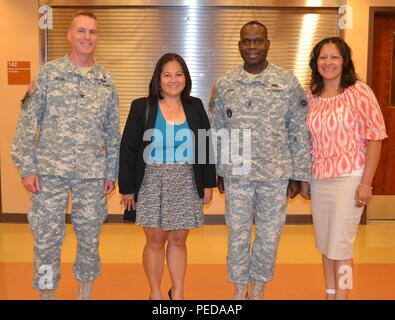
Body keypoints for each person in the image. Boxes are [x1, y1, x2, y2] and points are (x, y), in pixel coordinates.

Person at [11, 12, 120, 300]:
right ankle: (47, 294)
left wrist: (111, 171)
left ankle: (85, 292)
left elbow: (112, 133)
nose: (87, 37)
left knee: (89, 239)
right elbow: (27, 122)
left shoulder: (106, 81)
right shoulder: (49, 73)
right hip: (48, 173)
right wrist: (26, 167)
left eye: (93, 32)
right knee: (46, 240)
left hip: (91, 175)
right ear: (69, 35)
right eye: (81, 31)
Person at [209, 21, 311, 300]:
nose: (252, 46)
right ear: (239, 44)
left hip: (275, 174)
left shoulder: (287, 82)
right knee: (238, 235)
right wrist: (217, 169)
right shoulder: (226, 83)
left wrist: (299, 174)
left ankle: (259, 289)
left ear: (268, 44)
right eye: (246, 41)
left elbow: (298, 129)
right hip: (237, 174)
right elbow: (217, 128)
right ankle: (239, 289)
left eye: (258, 41)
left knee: (269, 236)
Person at [118, 53, 216, 300]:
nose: (173, 79)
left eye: (178, 74)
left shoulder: (195, 106)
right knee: (155, 239)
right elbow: (128, 148)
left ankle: (179, 293)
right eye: (167, 74)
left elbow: (205, 145)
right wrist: (127, 188)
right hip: (151, 178)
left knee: (179, 239)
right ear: (158, 79)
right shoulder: (142, 106)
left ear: (186, 78)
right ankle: (155, 293)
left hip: (185, 178)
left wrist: (207, 183)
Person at [306, 37, 387, 300]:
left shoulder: (359, 91)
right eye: (323, 57)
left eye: (334, 57)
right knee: (327, 243)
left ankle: (342, 296)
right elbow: (307, 141)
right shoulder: (311, 96)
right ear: (316, 62)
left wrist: (366, 183)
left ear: (345, 61)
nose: (328, 63)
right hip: (320, 179)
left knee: (341, 246)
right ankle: (330, 293)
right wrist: (306, 179)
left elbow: (375, 137)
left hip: (350, 178)